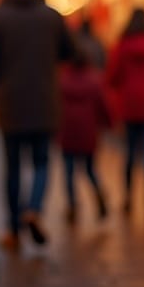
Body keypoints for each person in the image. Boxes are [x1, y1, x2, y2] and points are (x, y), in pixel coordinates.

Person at [0, 0, 77, 251]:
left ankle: (12, 229)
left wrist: (3, 78)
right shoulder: (51, 15)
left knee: (11, 168)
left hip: (10, 103)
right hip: (45, 101)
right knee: (42, 162)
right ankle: (33, 209)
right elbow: (70, 52)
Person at [107, 7, 144, 215]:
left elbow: (113, 76)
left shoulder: (122, 45)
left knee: (129, 153)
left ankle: (128, 196)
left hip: (129, 104)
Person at [58, 36, 112, 224]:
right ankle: (99, 195)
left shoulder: (62, 80)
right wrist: (108, 124)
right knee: (90, 169)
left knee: (69, 171)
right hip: (88, 132)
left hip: (67, 132)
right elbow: (103, 106)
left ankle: (72, 204)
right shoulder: (94, 80)